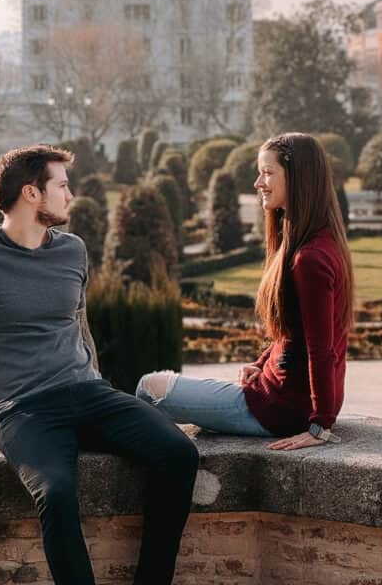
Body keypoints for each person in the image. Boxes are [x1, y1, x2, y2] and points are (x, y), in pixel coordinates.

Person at [0, 145, 199, 585]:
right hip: (23, 407)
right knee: (58, 493)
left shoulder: (72, 250)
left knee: (179, 453)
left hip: (89, 392)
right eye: (62, 186)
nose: (71, 195)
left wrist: (98, 382)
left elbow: (80, 327)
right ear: (31, 193)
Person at [137, 132, 354, 451]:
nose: (258, 183)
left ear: (297, 178)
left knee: (148, 389)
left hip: (279, 410)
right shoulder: (318, 243)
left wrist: (320, 425)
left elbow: (322, 348)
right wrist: (262, 362)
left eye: (268, 173)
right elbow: (293, 334)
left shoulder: (310, 259)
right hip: (279, 396)